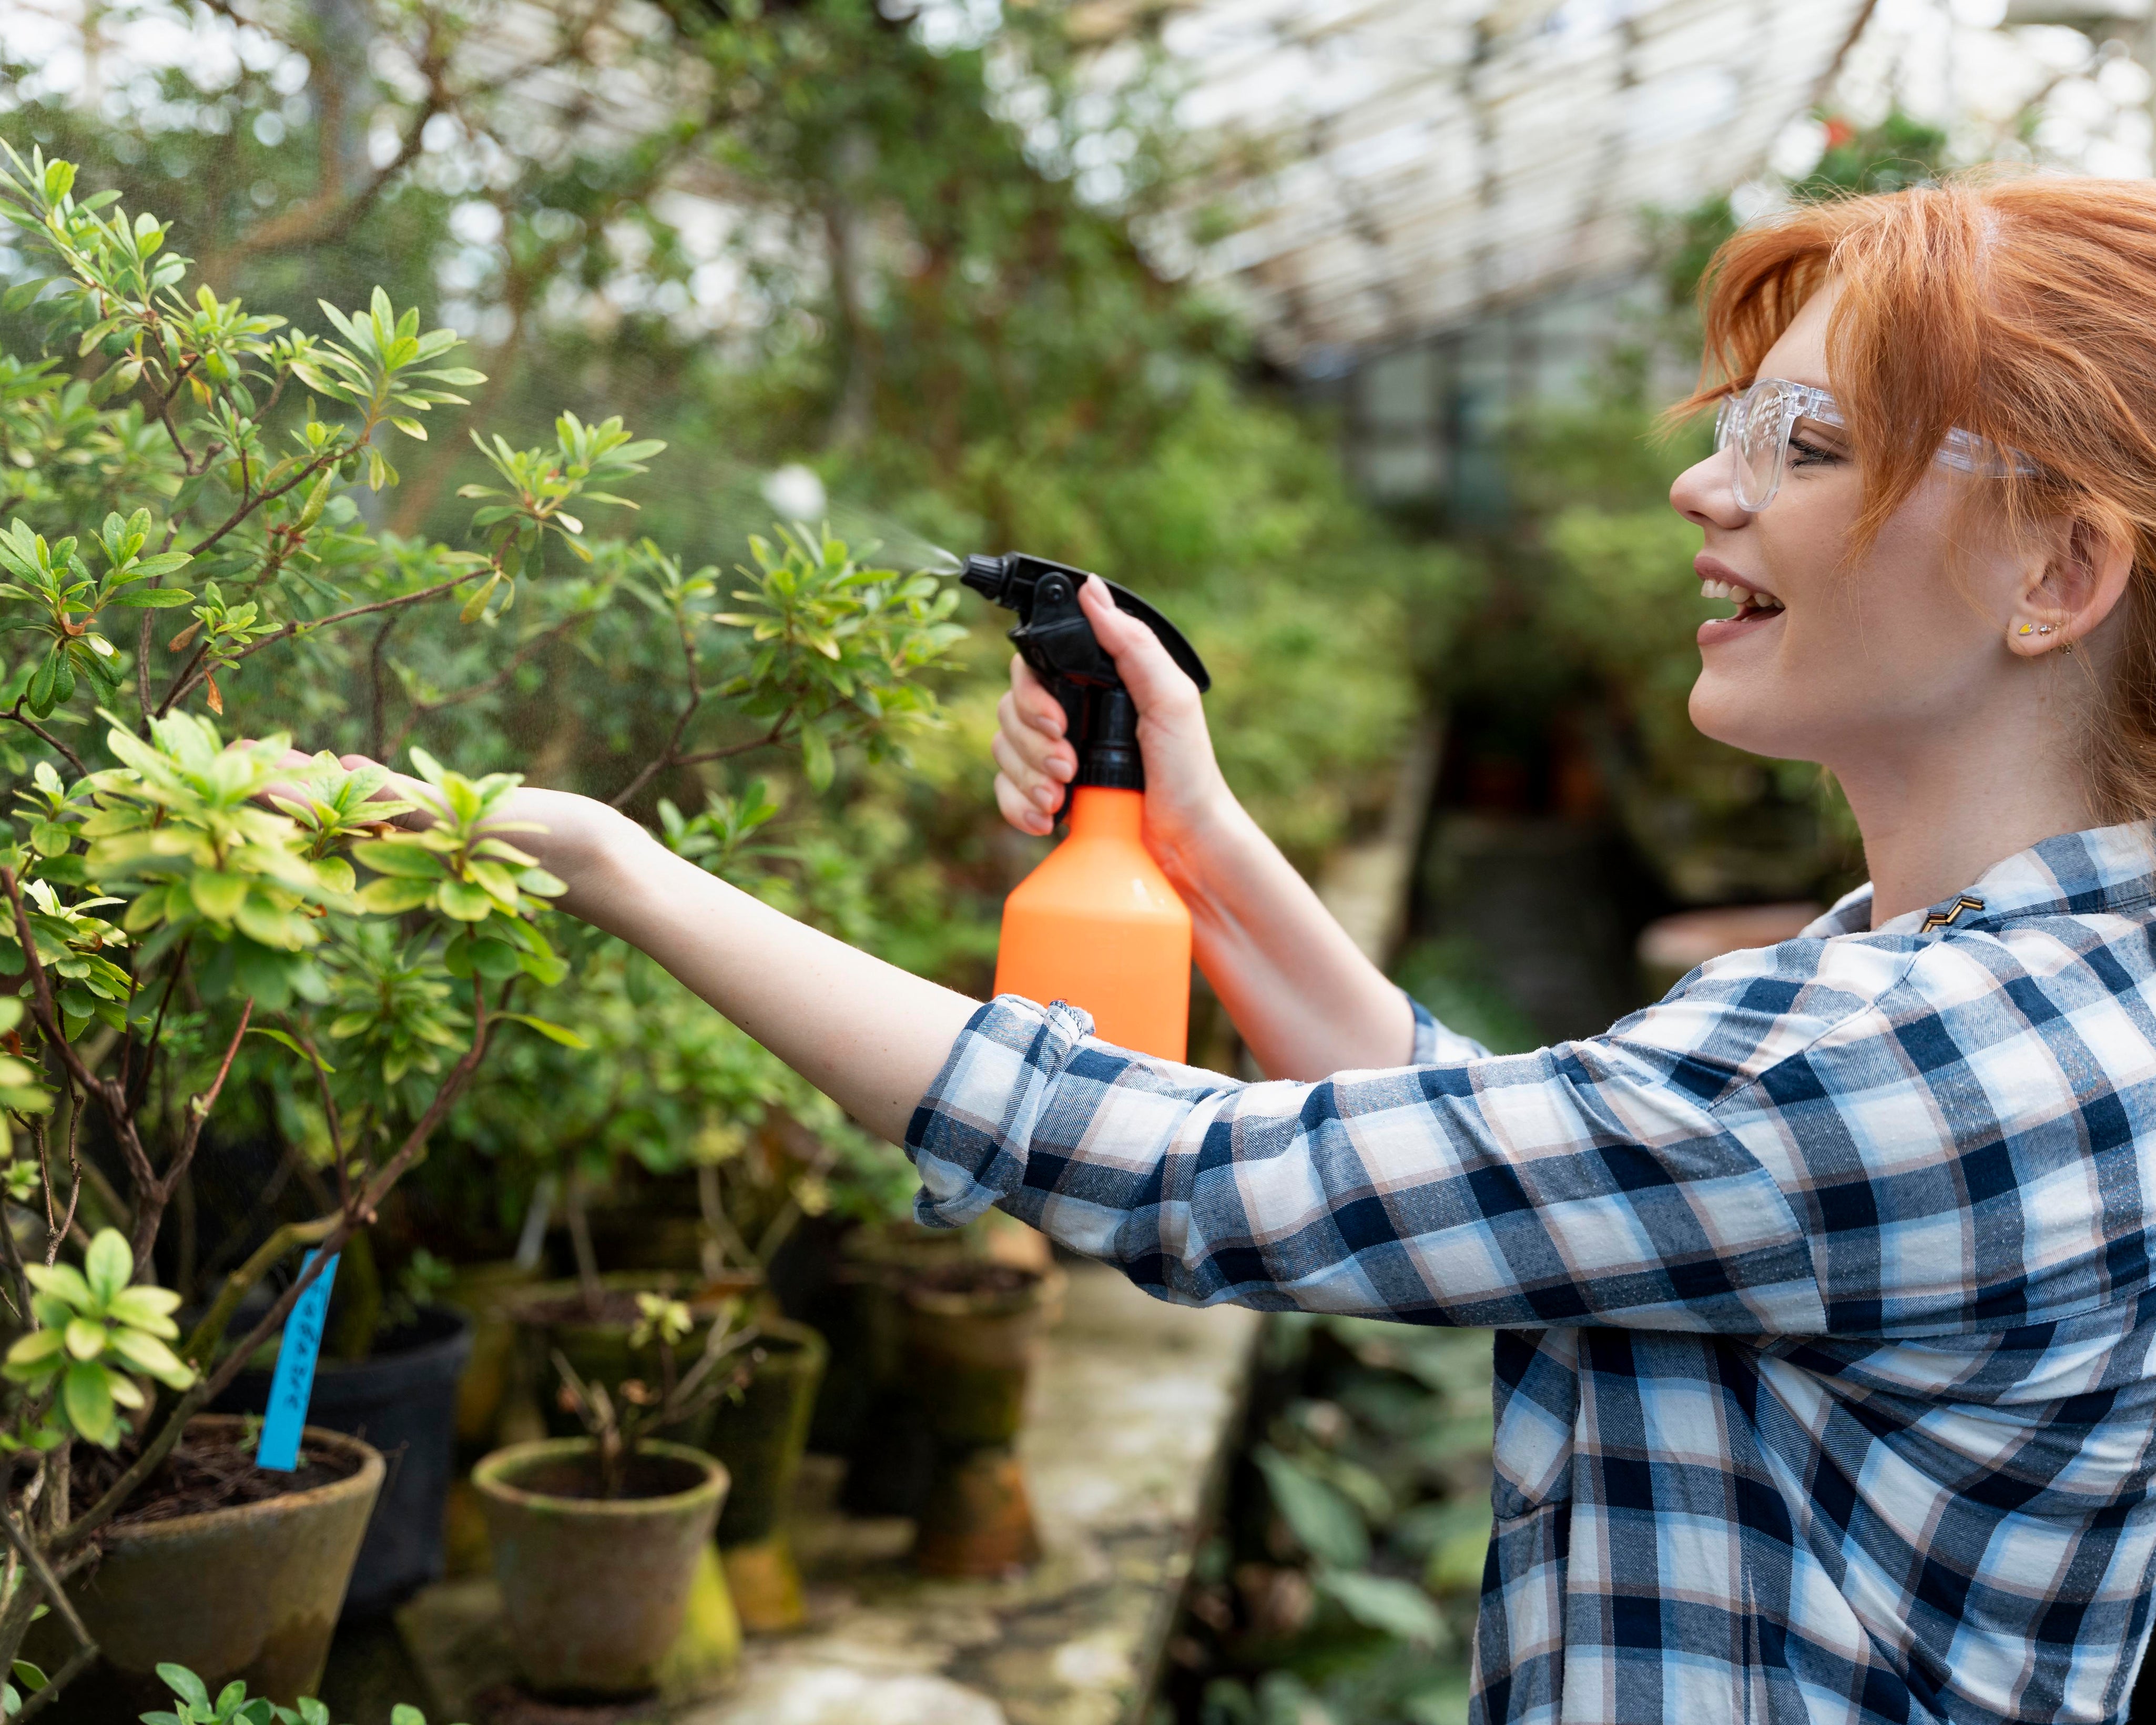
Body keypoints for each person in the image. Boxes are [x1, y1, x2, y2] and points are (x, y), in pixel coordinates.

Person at [291, 175, 2156, 1723]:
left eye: (1807, 441)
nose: (1705, 485)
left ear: (2056, 574)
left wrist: (611, 862)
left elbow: (1199, 1180)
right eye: (1734, 424)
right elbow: (1513, 1164)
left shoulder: (1918, 1066)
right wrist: (1191, 832)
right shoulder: (1988, 982)